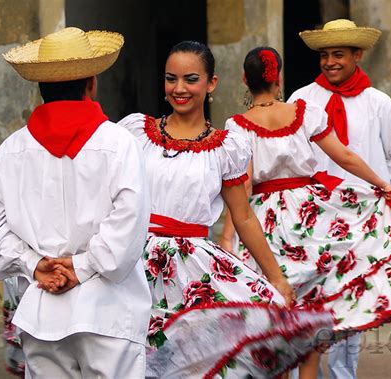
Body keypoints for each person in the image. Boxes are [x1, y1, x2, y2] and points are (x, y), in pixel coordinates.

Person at [116, 41, 334, 378]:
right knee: (134, 362)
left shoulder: (225, 147)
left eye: (190, 79)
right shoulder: (135, 133)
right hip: (134, 265)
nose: (179, 89)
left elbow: (244, 216)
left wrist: (276, 279)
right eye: (170, 79)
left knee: (195, 364)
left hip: (191, 270)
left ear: (211, 83)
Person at [220, 45, 391, 379]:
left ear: (245, 80)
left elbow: (242, 186)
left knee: (275, 318)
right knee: (311, 319)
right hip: (310, 215)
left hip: (266, 223)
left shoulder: (238, 126)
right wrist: (382, 184)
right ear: (279, 78)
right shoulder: (303, 112)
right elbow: (345, 156)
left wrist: (229, 236)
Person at [0, 27, 152, 378]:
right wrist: (81, 266)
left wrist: (35, 264)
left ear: (40, 88)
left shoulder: (11, 152)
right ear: (92, 84)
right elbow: (128, 228)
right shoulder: (119, 144)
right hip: (109, 311)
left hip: (43, 312)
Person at [287, 18, 391, 379]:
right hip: (313, 217)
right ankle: (304, 373)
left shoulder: (379, 103)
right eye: (325, 55)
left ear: (357, 55)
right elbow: (287, 152)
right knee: (307, 296)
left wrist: (376, 191)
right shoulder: (301, 99)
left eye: (339, 55)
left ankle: (344, 374)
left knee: (350, 300)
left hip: (362, 220)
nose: (330, 62)